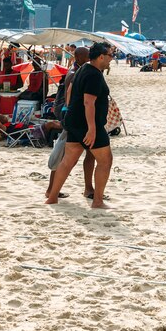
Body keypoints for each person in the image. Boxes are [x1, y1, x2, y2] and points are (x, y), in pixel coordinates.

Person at [46, 43, 115, 209]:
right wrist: (92, 128)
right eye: (110, 55)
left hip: (74, 121)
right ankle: (97, 201)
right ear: (101, 57)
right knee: (106, 160)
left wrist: (70, 110)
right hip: (88, 124)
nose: (111, 59)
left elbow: (69, 91)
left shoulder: (82, 68)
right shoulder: (94, 75)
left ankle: (52, 197)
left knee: (68, 161)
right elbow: (89, 102)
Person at [46, 46, 92, 199]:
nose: (89, 59)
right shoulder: (74, 74)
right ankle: (51, 190)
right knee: (62, 155)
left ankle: (87, 188)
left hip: (72, 119)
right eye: (87, 57)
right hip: (73, 119)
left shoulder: (75, 72)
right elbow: (70, 98)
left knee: (66, 154)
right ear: (78, 58)